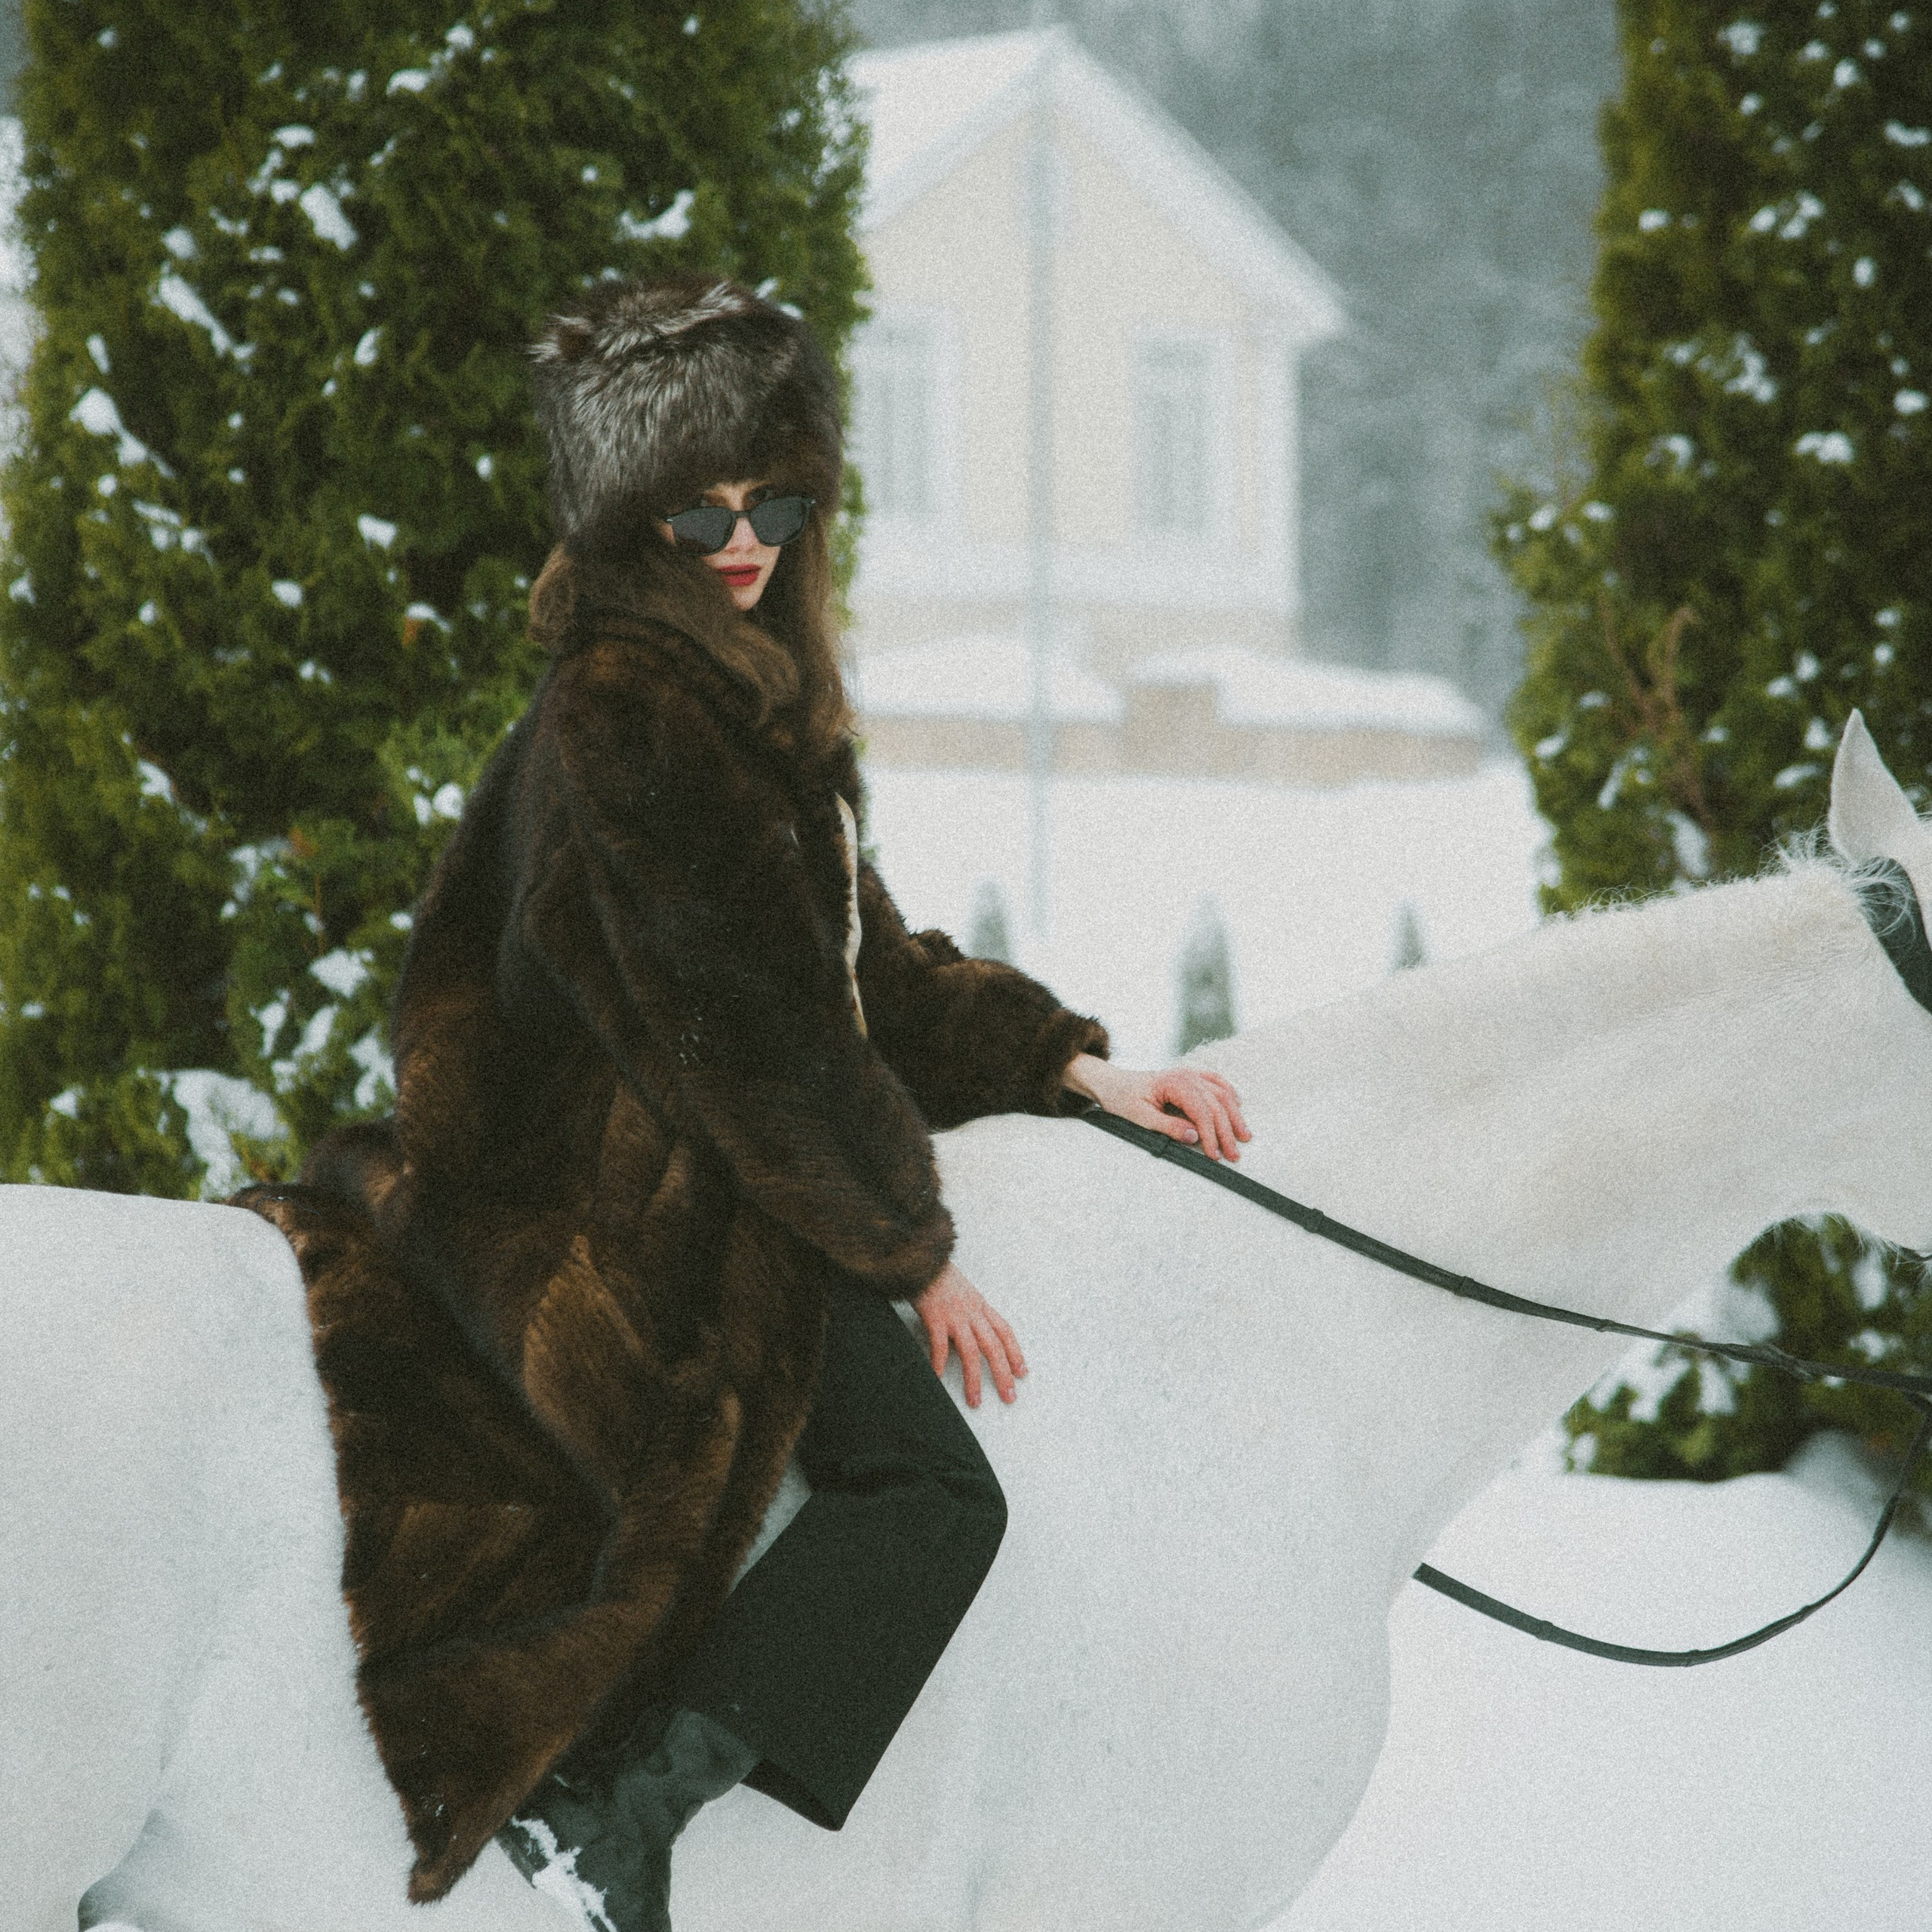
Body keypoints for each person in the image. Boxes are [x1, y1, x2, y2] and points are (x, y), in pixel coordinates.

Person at [288, 274, 1248, 1930]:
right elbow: (755, 1034)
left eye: (775, 505)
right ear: (632, 518)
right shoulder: (634, 707)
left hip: (682, 1137)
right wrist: (906, 1249)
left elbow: (856, 971)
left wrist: (1073, 1063)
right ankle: (612, 1815)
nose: (744, 541)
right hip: (596, 1183)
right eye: (702, 511)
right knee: (933, 1496)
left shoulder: (737, 697)